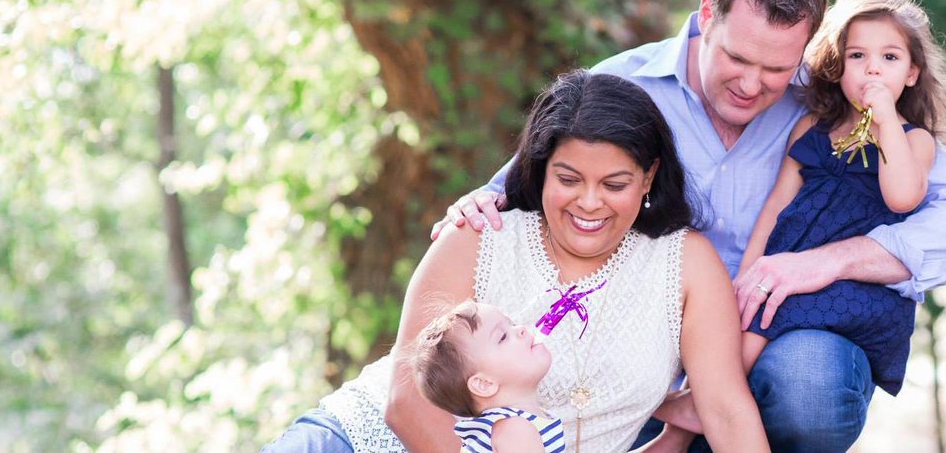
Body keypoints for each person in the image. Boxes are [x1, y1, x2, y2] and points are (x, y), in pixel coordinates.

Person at [433, 0, 946, 450]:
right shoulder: (625, 85)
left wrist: (828, 261)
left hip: (780, 334)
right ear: (707, 14)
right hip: (647, 342)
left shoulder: (834, 107)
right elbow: (527, 183)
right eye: (736, 58)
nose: (751, 85)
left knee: (810, 391)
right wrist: (479, 202)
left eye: (777, 69)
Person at [264, 70, 768, 452]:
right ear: (540, 169)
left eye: (614, 184)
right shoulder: (479, 236)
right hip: (358, 440)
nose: (589, 203)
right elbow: (406, 400)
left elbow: (726, 410)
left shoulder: (687, 264)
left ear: (649, 176)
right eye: (568, 180)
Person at [732, 0, 946, 397]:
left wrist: (885, 121)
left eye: (890, 58)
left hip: (852, 289)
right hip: (789, 268)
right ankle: (705, 409)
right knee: (743, 305)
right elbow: (777, 205)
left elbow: (902, 197)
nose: (872, 70)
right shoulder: (812, 127)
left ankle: (710, 403)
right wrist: (748, 271)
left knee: (769, 310)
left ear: (912, 73)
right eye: (857, 56)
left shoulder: (913, 141)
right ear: (837, 66)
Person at [409, 301, 564, 452]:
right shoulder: (514, 429)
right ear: (484, 383)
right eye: (503, 337)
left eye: (512, 324)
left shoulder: (511, 423)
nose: (521, 329)